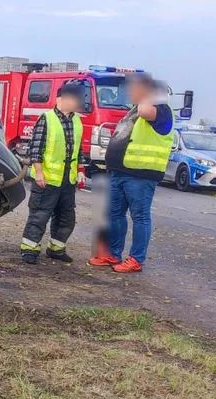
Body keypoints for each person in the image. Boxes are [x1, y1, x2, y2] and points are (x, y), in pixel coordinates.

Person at [88, 73, 173, 273]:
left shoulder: (160, 111)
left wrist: (150, 95)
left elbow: (145, 112)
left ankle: (136, 259)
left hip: (141, 175)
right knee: (114, 214)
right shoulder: (133, 111)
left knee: (140, 217)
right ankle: (113, 254)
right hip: (120, 172)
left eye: (134, 89)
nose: (130, 93)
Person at [20, 80, 84, 264]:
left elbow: (78, 149)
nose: (77, 103)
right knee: (40, 215)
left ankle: (56, 248)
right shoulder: (47, 118)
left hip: (67, 179)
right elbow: (36, 148)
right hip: (47, 179)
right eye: (74, 99)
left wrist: (80, 170)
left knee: (66, 216)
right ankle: (29, 250)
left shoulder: (77, 120)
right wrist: (38, 172)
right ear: (61, 99)